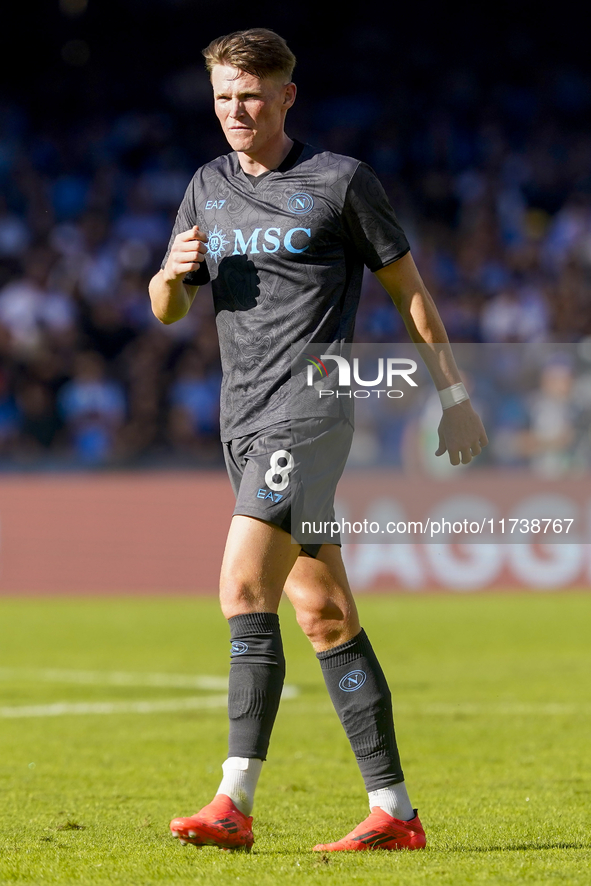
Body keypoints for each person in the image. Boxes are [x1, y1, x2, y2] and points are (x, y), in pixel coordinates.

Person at [149, 28, 487, 853]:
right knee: (325, 615)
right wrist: (166, 274)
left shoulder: (339, 183)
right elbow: (168, 309)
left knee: (240, 588)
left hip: (312, 410)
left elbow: (409, 292)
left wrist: (453, 396)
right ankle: (395, 812)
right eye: (224, 96)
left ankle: (232, 800)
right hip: (244, 418)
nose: (236, 110)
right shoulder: (206, 186)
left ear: (285, 96)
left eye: (251, 95)